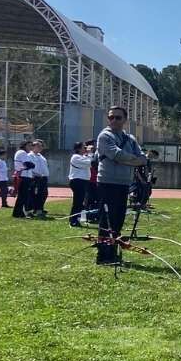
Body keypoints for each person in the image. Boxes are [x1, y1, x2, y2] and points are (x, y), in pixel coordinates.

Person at [94, 106, 147, 265]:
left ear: (125, 120)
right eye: (111, 117)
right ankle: (103, 256)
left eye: (118, 117)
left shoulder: (130, 139)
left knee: (118, 219)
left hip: (124, 183)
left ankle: (113, 252)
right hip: (107, 183)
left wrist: (131, 160)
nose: (114, 120)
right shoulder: (104, 136)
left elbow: (143, 157)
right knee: (107, 220)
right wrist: (134, 161)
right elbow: (116, 155)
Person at [68, 142, 93, 227]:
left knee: (80, 202)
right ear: (78, 149)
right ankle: (73, 220)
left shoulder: (83, 157)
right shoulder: (75, 157)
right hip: (77, 181)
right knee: (77, 202)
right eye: (84, 147)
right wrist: (89, 153)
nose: (85, 149)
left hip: (83, 181)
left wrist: (88, 154)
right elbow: (89, 163)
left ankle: (76, 219)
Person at [11, 141, 33, 219]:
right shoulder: (22, 152)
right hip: (23, 176)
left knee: (23, 196)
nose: (31, 147)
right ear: (24, 145)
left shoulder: (24, 153)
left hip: (24, 176)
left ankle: (19, 212)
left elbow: (30, 165)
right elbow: (29, 164)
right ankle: (17, 213)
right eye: (29, 145)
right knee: (22, 196)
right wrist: (30, 165)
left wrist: (31, 165)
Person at [29, 141, 50, 218]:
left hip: (43, 177)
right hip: (36, 177)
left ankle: (40, 208)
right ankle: (37, 209)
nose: (40, 148)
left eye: (41, 146)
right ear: (33, 147)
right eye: (38, 146)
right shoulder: (30, 156)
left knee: (44, 194)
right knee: (36, 194)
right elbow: (30, 167)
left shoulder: (41, 156)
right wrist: (35, 174)